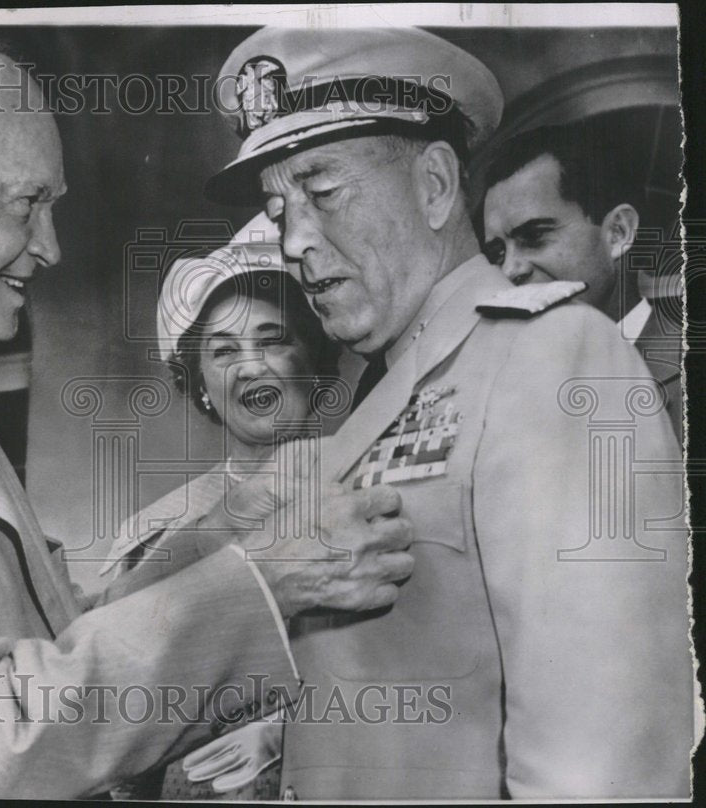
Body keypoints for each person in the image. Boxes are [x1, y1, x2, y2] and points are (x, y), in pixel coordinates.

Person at [0, 29, 418, 798]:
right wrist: (267, 580)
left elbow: (52, 635)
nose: (51, 246)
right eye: (28, 204)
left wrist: (225, 520)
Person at [131, 26, 691, 799]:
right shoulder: (387, 394)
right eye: (277, 206)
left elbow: (600, 769)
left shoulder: (555, 359)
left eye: (322, 192)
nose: (293, 240)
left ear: (433, 185)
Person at [101, 214, 341, 799]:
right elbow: (109, 710)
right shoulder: (153, 534)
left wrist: (290, 731)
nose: (251, 366)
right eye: (223, 350)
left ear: (314, 355)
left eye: (273, 339)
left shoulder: (369, 481)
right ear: (201, 382)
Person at [481, 120, 683, 437]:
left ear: (618, 232)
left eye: (534, 236)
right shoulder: (502, 390)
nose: (510, 270)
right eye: (497, 253)